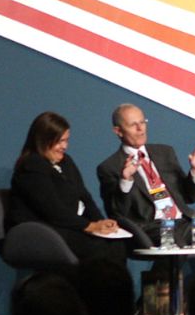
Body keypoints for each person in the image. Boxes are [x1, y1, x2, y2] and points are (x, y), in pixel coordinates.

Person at [96, 102, 195, 269]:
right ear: (118, 131)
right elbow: (118, 212)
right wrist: (126, 179)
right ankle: (155, 294)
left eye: (142, 122)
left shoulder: (164, 152)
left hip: (182, 222)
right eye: (133, 125)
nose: (140, 129)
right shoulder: (110, 167)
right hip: (151, 227)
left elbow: (189, 196)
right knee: (174, 248)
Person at [7, 110, 130, 263]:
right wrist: (91, 226)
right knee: (98, 247)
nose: (64, 146)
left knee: (116, 243)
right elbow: (52, 210)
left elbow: (84, 196)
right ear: (43, 141)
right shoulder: (32, 166)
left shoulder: (66, 162)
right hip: (41, 231)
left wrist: (101, 223)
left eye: (66, 140)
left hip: (67, 226)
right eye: (59, 141)